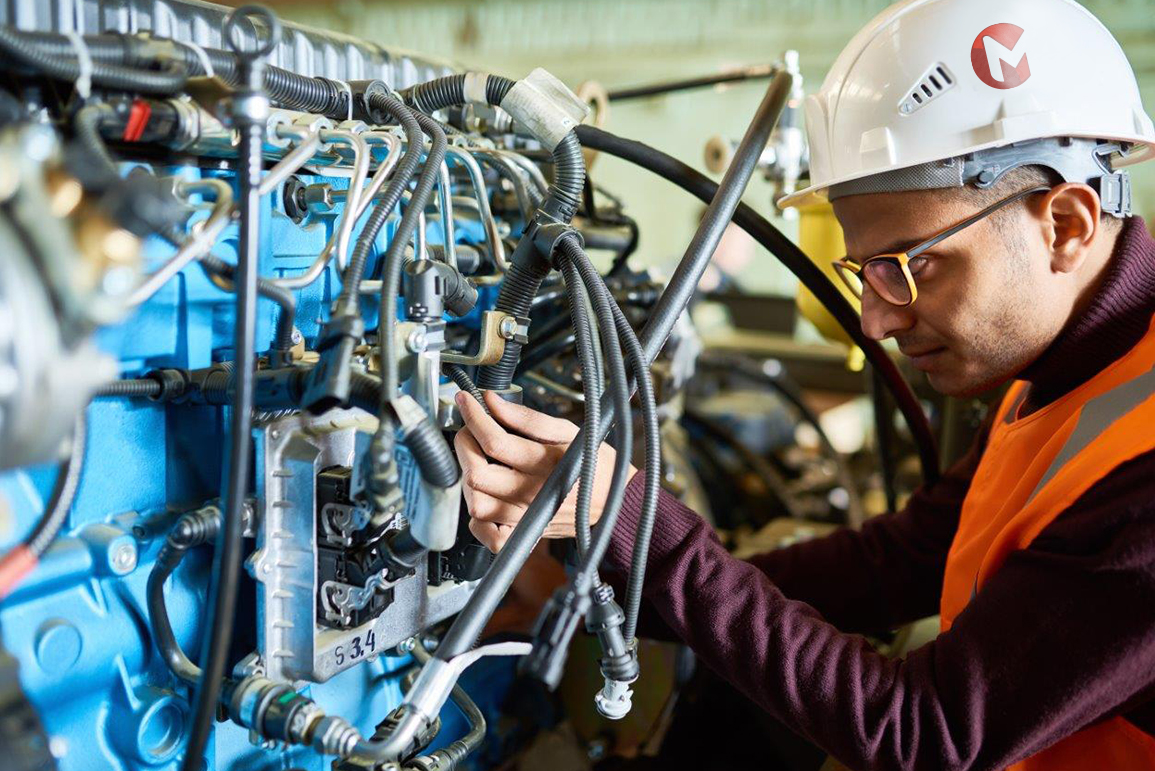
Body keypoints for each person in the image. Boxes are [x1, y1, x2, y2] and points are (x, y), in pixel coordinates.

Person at [453, 0, 1155, 768]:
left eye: (907, 266)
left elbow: (925, 731)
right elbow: (900, 560)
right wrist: (594, 581)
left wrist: (638, 526)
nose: (875, 321)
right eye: (862, 271)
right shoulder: (1076, 369)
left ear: (1064, 224)